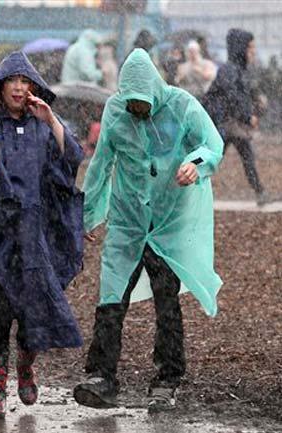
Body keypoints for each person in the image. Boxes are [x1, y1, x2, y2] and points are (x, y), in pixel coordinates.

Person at [75, 49, 224, 413]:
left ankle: (167, 379)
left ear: (155, 92)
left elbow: (212, 144)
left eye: (143, 103)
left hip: (168, 219)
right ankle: (101, 376)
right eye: (132, 103)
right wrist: (89, 215)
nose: (137, 110)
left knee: (166, 300)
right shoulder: (115, 110)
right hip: (127, 220)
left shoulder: (182, 106)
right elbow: (101, 163)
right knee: (111, 297)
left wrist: (195, 164)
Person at [0, 51, 85, 419]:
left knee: (32, 311)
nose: (20, 88)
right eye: (13, 81)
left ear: (35, 88)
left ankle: (25, 366)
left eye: (26, 82)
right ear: (0, 87)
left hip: (33, 239)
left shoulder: (44, 128)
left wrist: (51, 118)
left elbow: (72, 159)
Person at [203, 29, 270, 205]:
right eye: (250, 47)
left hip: (232, 126)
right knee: (212, 158)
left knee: (241, 158)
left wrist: (255, 104)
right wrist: (248, 117)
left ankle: (260, 191)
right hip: (224, 125)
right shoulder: (229, 70)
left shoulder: (239, 70)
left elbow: (243, 94)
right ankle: (189, 189)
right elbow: (232, 96)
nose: (253, 51)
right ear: (241, 49)